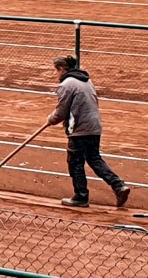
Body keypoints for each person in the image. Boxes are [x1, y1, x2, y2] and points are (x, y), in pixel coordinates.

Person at [46, 55, 130, 208]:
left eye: (55, 71)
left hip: (80, 129)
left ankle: (80, 196)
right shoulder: (87, 81)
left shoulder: (66, 85)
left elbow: (61, 112)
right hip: (94, 127)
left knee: (75, 162)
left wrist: (50, 119)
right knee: (94, 159)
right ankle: (118, 185)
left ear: (61, 69)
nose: (55, 74)